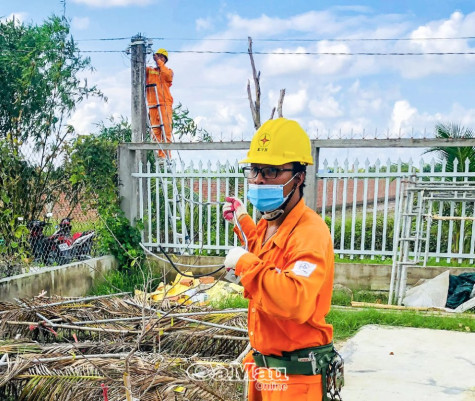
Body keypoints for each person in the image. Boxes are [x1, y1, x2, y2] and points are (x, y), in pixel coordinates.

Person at [222, 118, 338, 401]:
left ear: (298, 177)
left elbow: (294, 299)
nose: (259, 179)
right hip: (266, 371)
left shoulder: (310, 233)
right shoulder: (270, 222)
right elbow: (265, 251)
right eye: (255, 170)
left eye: (271, 171)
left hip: (295, 379)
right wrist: (241, 219)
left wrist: (243, 263)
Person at [146, 48, 174, 158]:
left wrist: (159, 62)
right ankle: (159, 155)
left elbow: (167, 76)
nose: (159, 58)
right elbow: (141, 71)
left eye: (162, 57)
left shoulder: (168, 71)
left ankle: (166, 155)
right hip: (152, 104)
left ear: (165, 59)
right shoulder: (150, 70)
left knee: (166, 130)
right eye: (158, 56)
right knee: (155, 131)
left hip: (165, 104)